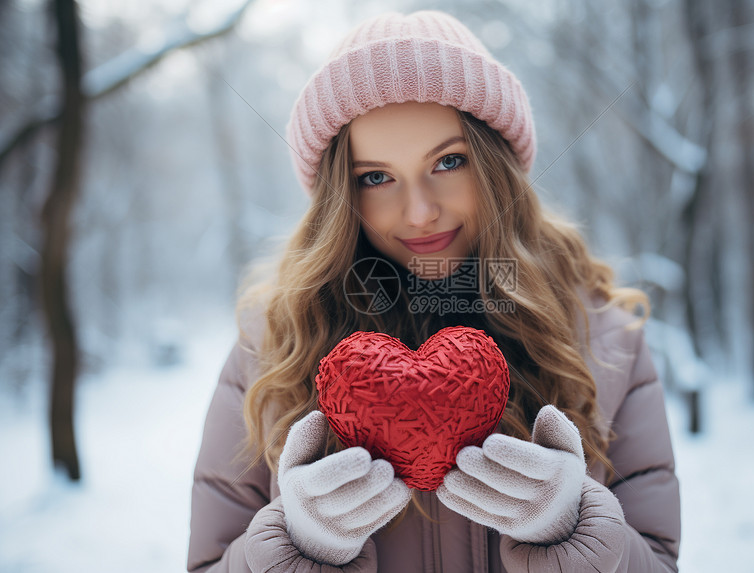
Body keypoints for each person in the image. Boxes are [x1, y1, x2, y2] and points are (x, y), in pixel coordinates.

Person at [187, 9, 680, 573]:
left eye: (449, 162)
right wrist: (296, 548)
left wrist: (573, 533)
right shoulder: (271, 346)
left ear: (495, 165)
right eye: (375, 177)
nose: (419, 212)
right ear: (337, 195)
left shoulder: (604, 336)